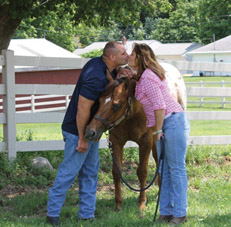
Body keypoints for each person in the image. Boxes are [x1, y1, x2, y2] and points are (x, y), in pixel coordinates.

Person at [46, 41, 129, 226]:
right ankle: (52, 215)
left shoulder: (102, 65)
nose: (127, 55)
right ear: (112, 57)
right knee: (69, 172)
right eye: (123, 53)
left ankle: (86, 215)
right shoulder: (95, 76)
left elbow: (113, 80)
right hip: (78, 130)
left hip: (92, 131)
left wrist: (121, 74)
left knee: (90, 173)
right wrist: (82, 138)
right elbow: (83, 108)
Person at [128, 43, 190, 225]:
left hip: (171, 122)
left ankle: (180, 213)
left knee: (176, 169)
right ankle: (165, 212)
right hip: (164, 124)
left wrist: (158, 130)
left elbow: (160, 105)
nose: (129, 57)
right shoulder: (143, 76)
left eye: (132, 54)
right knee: (164, 169)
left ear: (139, 57)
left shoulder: (148, 77)